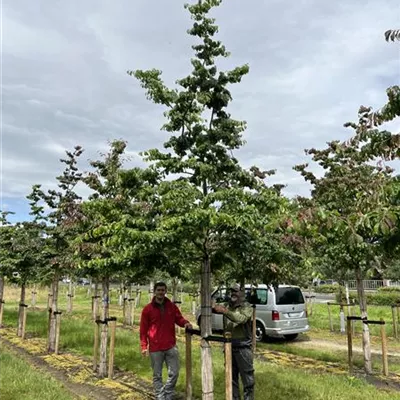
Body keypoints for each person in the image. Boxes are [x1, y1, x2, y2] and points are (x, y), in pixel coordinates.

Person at [140, 281, 192, 400]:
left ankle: (168, 394)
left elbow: (179, 319)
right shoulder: (147, 309)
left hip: (170, 345)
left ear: (165, 291)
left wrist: (186, 323)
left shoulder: (171, 306)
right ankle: (160, 396)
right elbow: (143, 330)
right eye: (158, 290)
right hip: (155, 347)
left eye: (163, 290)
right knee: (157, 375)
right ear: (155, 292)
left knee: (174, 373)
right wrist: (144, 346)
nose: (160, 292)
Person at [213, 284, 255, 400]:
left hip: (243, 347)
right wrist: (212, 304)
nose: (233, 294)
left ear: (242, 293)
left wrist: (226, 312)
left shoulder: (247, 307)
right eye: (231, 291)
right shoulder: (227, 305)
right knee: (231, 378)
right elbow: (214, 307)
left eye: (236, 291)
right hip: (229, 347)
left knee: (248, 379)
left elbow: (241, 319)